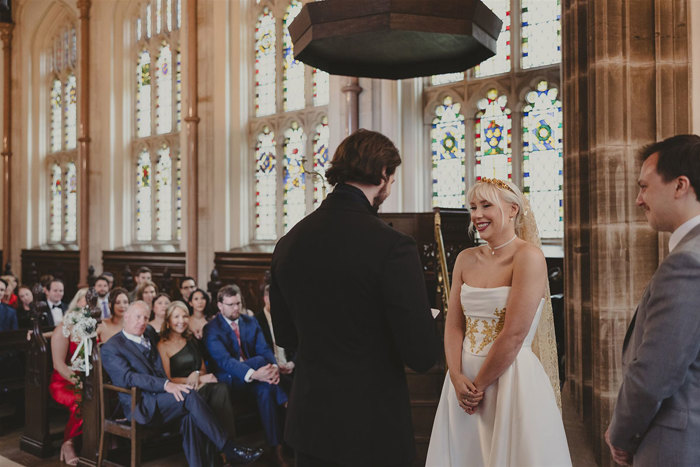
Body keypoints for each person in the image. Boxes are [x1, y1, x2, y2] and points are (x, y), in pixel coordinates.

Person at [270, 129, 440, 467]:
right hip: (370, 428)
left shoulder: (289, 242)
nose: (390, 188)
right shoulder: (393, 246)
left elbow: (287, 337)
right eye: (392, 178)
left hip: (311, 425)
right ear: (382, 175)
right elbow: (421, 355)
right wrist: (426, 319)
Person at [425, 178, 570, 466]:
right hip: (462, 380)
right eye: (473, 207)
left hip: (510, 376)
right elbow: (454, 325)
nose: (477, 215)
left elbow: (514, 334)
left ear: (513, 209)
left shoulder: (528, 257)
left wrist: (477, 387)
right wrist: (455, 375)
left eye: (486, 206)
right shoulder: (465, 259)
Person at [606, 135, 700, 466]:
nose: (638, 199)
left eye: (644, 186)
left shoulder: (687, 261)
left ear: (680, 185)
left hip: (675, 444)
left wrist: (621, 434)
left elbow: (654, 374)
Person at [100, 301, 263, 467]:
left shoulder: (148, 332)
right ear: (126, 317)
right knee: (189, 395)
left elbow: (170, 336)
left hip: (163, 400)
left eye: (145, 318)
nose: (141, 321)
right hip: (142, 404)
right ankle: (229, 448)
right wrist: (166, 385)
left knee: (190, 416)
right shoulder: (111, 348)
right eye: (137, 317)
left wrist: (194, 334)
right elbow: (128, 378)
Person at [204, 284, 289, 467]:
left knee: (266, 390)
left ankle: (276, 449)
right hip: (228, 381)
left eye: (238, 303)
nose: (236, 308)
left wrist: (273, 368)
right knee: (258, 361)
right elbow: (225, 362)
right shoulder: (212, 328)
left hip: (257, 379)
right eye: (230, 304)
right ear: (220, 306)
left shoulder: (250, 322)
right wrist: (255, 373)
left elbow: (264, 349)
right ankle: (285, 400)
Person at [157, 301, 237, 438]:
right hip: (180, 391)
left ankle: (226, 445)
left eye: (185, 316)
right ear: (168, 321)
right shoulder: (162, 345)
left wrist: (196, 373)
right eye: (176, 317)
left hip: (200, 386)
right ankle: (226, 447)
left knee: (221, 389)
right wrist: (197, 379)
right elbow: (167, 379)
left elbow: (202, 369)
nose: (181, 321)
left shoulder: (191, 339)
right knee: (217, 392)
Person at [49, 288, 89, 466]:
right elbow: (59, 365)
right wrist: (79, 382)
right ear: (77, 302)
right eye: (85, 299)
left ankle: (97, 440)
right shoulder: (64, 328)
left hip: (88, 380)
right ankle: (68, 443)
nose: (89, 303)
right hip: (63, 381)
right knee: (80, 400)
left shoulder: (94, 326)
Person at [255, 284, 294, 394]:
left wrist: (292, 363)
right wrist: (275, 365)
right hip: (271, 367)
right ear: (266, 299)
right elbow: (258, 350)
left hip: (290, 365)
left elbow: (297, 345)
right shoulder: (256, 321)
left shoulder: (287, 318)